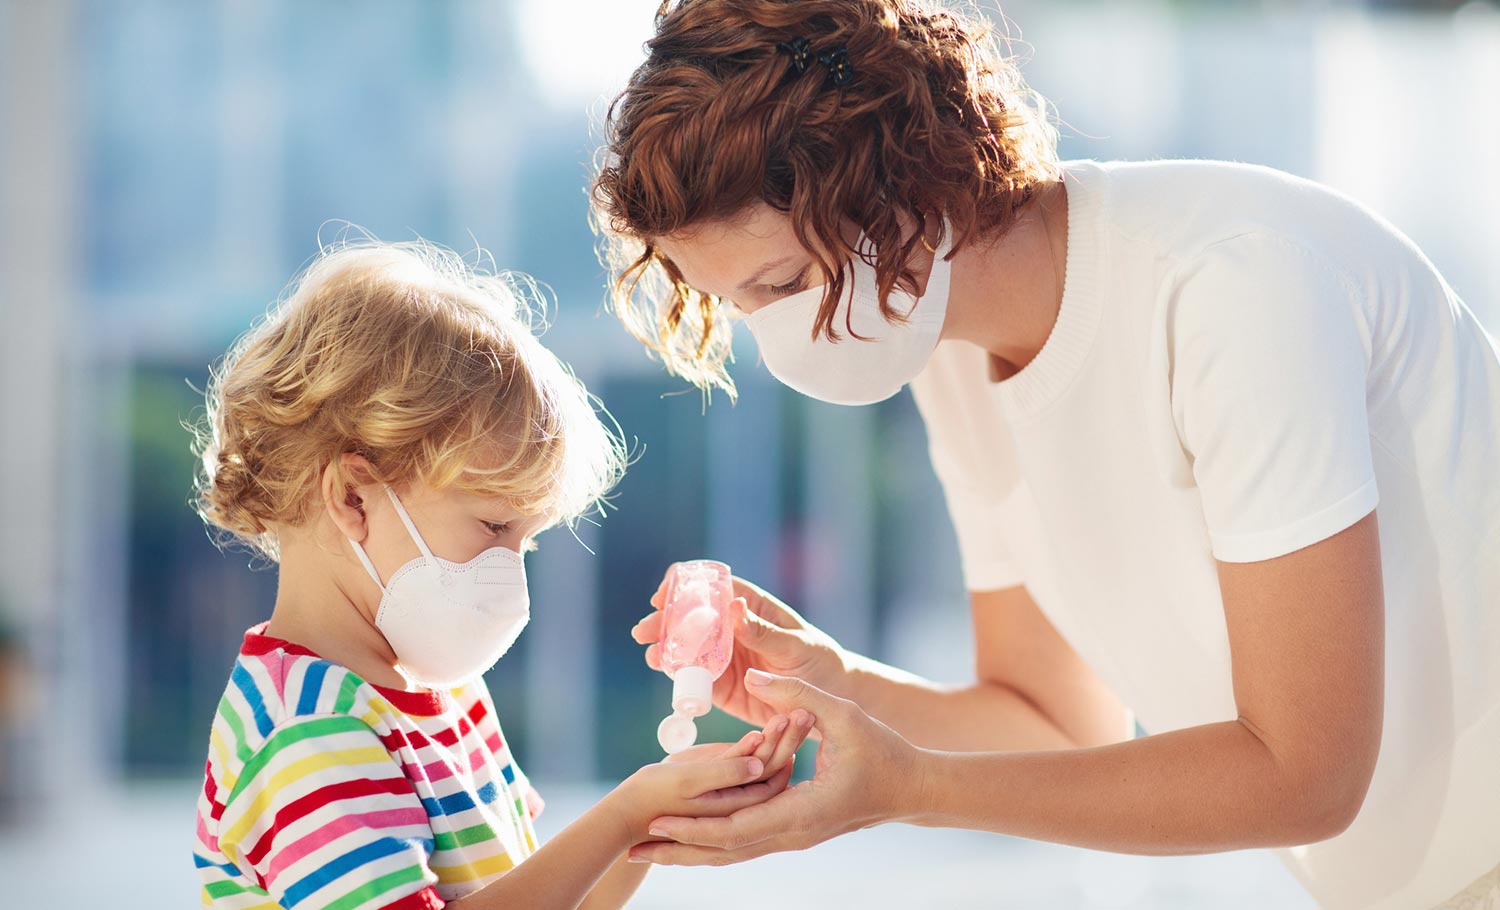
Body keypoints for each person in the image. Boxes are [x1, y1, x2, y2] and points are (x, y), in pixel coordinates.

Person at [590, 1, 1500, 907]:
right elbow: (1055, 726)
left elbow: (1307, 774)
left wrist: (913, 790)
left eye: (783, 285)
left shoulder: (1230, 283)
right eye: (742, 308)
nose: (778, 342)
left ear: (896, 178)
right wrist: (838, 685)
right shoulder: (947, 354)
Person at [189, 241, 812, 909]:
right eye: (492, 528)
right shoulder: (307, 732)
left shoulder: (445, 691)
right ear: (351, 498)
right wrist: (625, 814)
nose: (510, 574)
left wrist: (658, 812)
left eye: (527, 542)